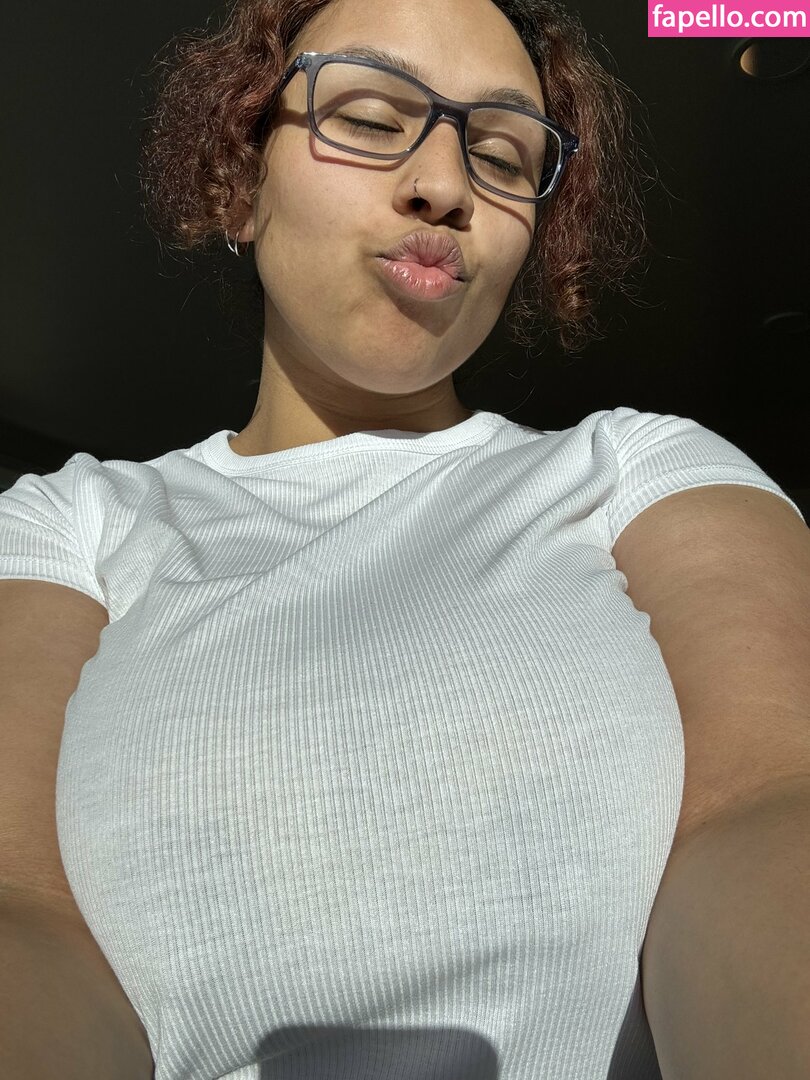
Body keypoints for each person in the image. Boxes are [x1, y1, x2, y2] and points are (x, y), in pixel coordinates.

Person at [1, 0, 805, 1078]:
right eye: (372, 118)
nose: (444, 184)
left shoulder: (641, 471)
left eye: (503, 154)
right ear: (239, 183)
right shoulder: (68, 525)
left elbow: (769, 800)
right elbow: (19, 908)